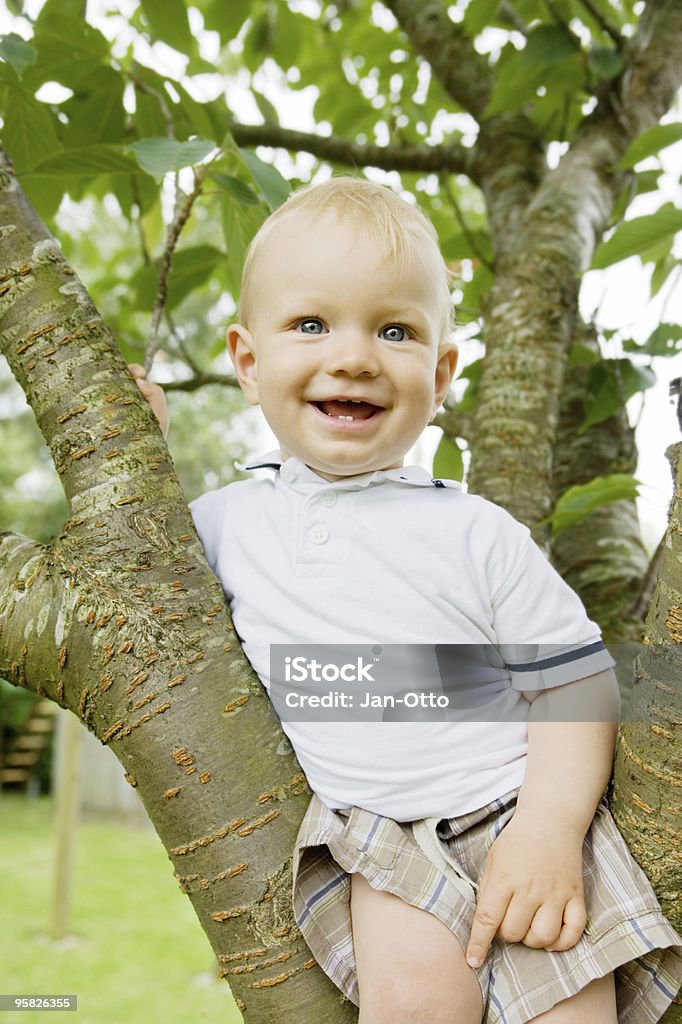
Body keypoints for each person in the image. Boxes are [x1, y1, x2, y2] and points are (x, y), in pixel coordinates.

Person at [131, 175, 681, 1024]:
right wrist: (137, 457)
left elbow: (575, 683)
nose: (353, 356)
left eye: (395, 330)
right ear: (247, 361)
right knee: (414, 1009)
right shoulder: (224, 524)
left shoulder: (473, 532)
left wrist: (549, 828)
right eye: (311, 324)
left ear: (442, 370)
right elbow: (137, 582)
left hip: (518, 808)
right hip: (383, 845)